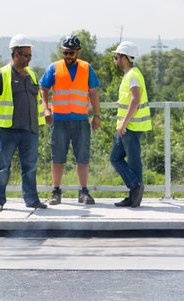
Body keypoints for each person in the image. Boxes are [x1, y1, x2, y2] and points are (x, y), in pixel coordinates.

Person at [0, 33, 47, 212]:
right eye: (27, 55)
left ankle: (32, 200)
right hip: (8, 130)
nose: (29, 59)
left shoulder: (31, 75)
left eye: (30, 55)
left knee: (30, 167)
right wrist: (0, 116)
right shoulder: (2, 74)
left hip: (30, 130)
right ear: (17, 54)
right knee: (3, 167)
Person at [39, 34, 101, 205]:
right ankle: (56, 192)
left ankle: (83, 192)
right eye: (65, 52)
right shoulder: (54, 67)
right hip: (58, 120)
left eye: (71, 53)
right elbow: (43, 88)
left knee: (83, 157)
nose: (67, 56)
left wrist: (96, 116)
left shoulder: (87, 68)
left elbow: (94, 93)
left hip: (81, 120)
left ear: (78, 52)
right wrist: (46, 109)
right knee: (57, 157)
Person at [110, 41, 152, 208]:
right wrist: (121, 102)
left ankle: (135, 191)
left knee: (132, 162)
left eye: (116, 57)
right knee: (116, 158)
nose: (114, 60)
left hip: (131, 127)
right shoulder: (130, 75)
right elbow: (130, 99)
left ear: (125, 59)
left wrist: (124, 124)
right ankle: (134, 192)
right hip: (127, 127)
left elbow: (135, 100)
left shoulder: (133, 75)